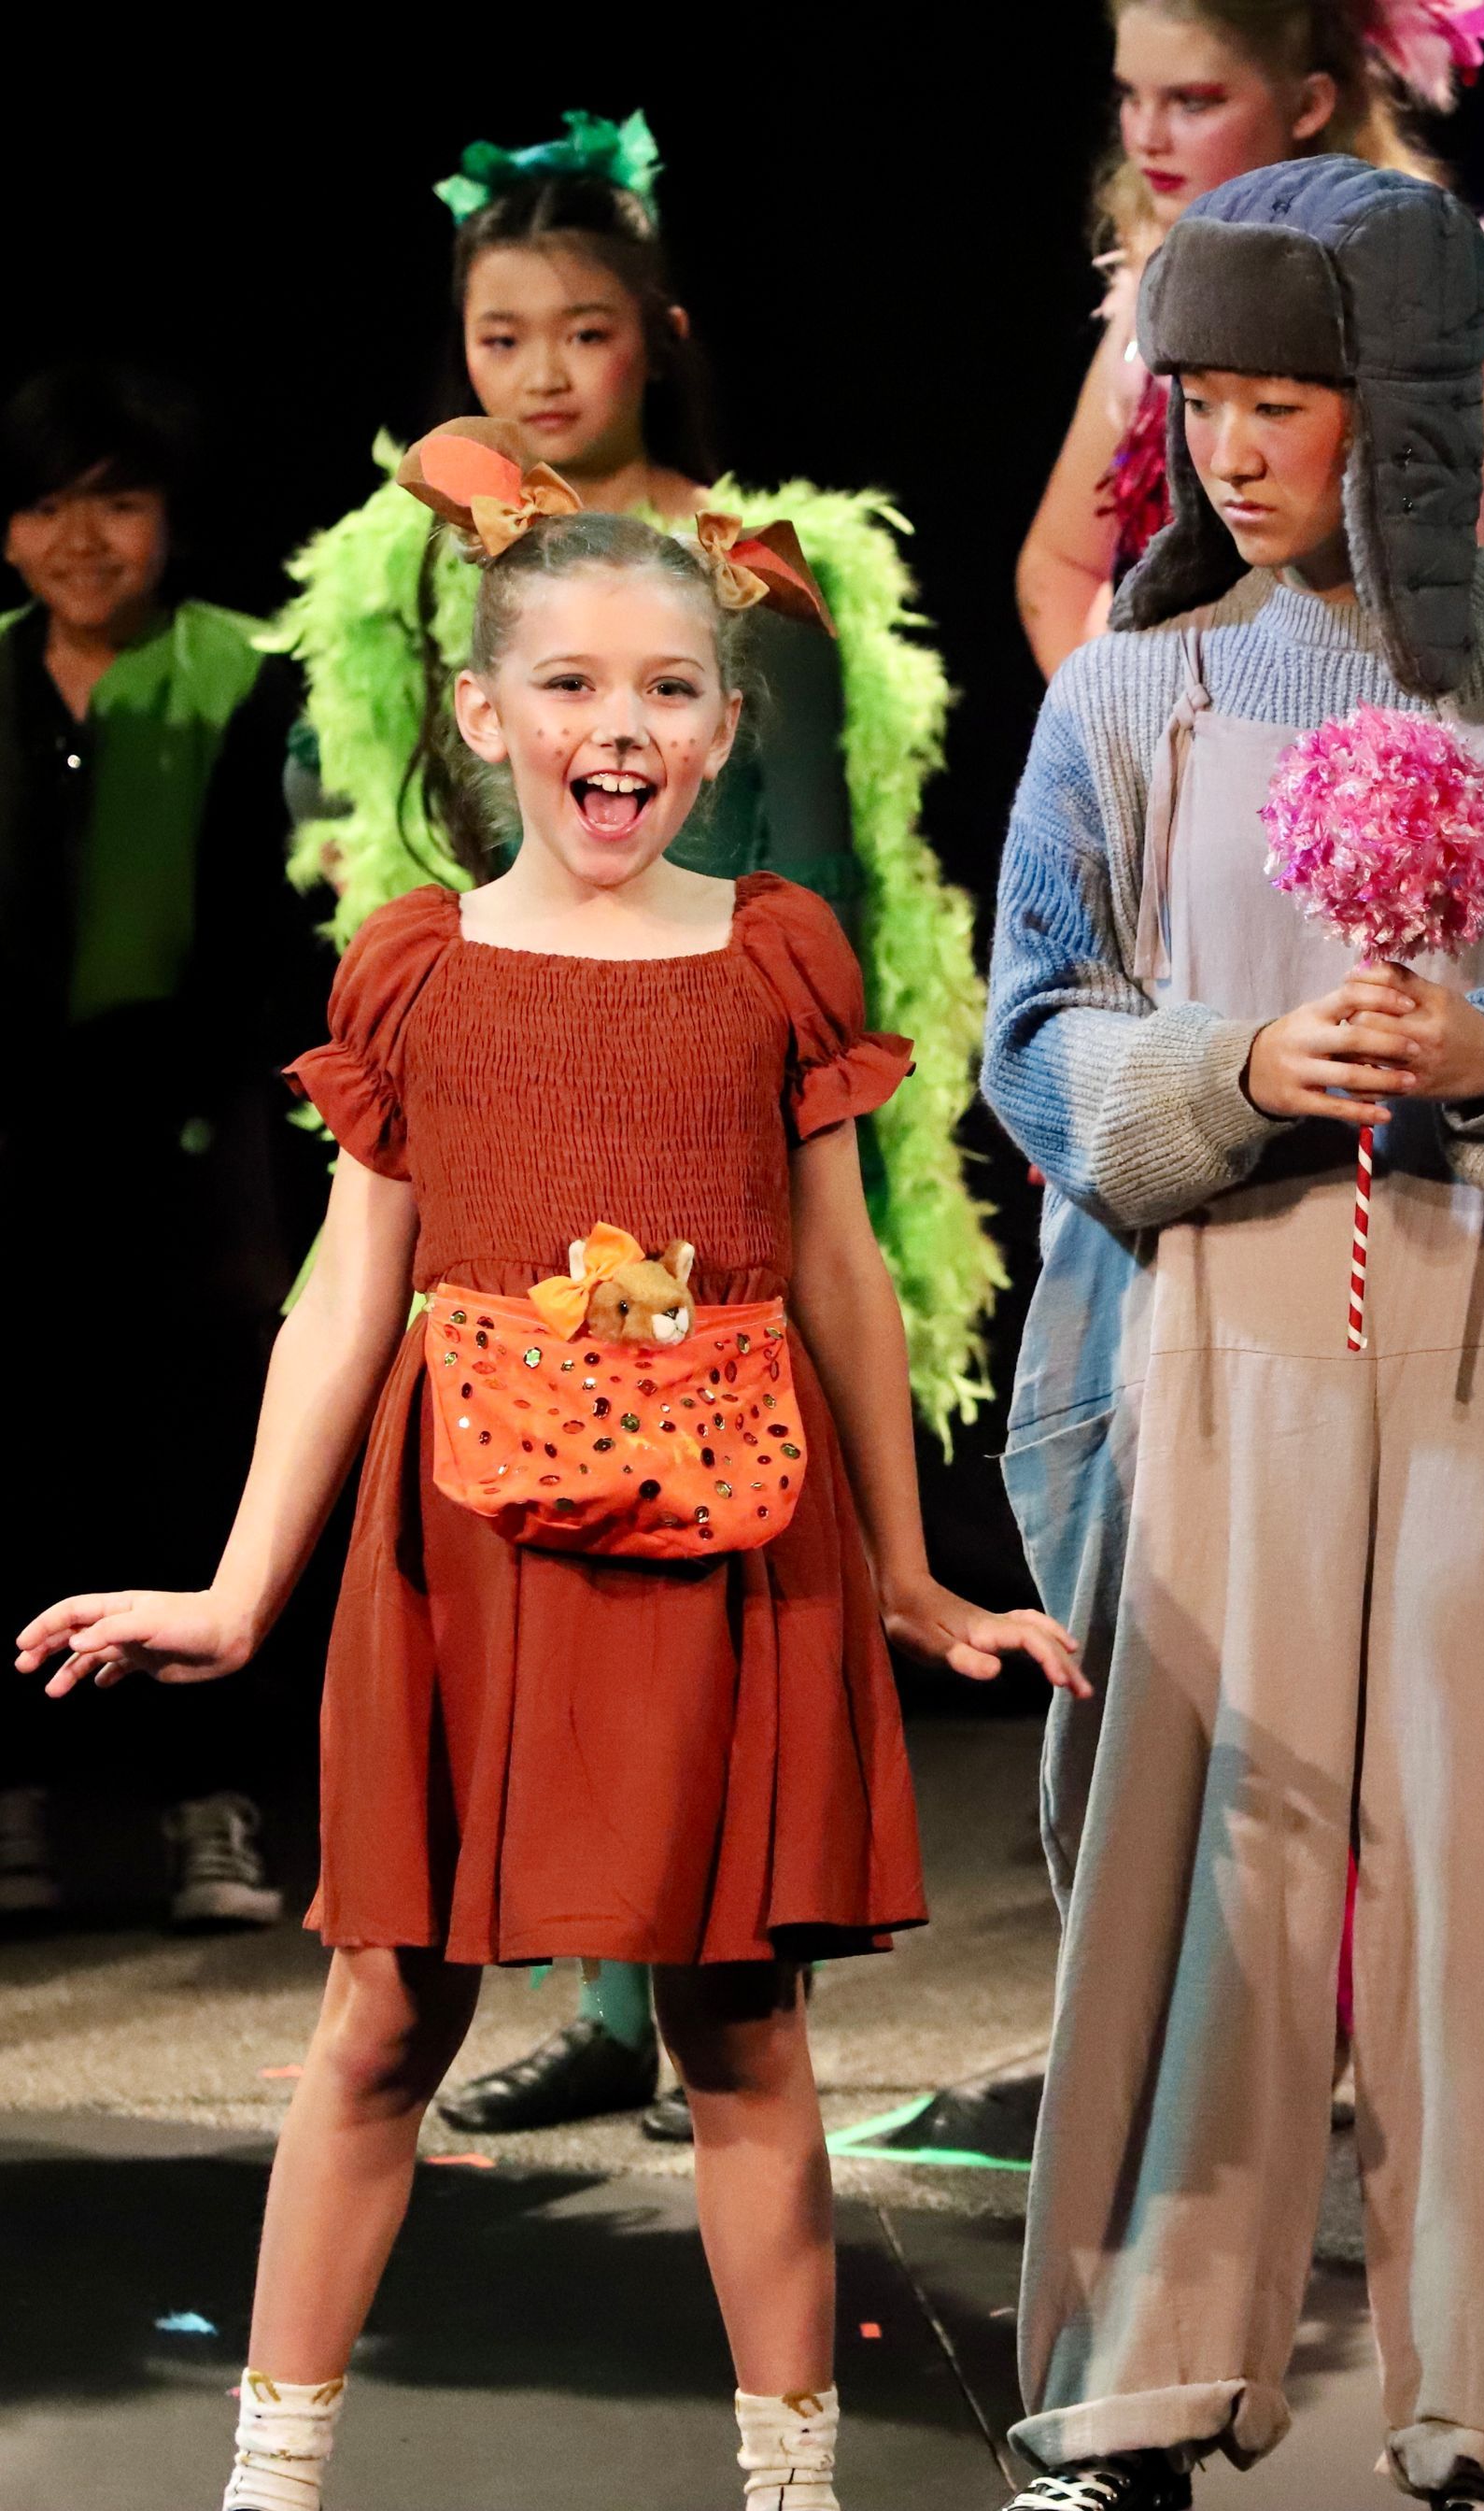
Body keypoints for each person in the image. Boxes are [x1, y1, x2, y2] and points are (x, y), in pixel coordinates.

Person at [18, 438, 1081, 2511]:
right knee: (384, 2021)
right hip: (469, 1552)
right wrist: (242, 1589)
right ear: (489, 718)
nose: (621, 727)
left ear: (722, 723)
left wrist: (913, 1574)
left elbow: (845, 1273)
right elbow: (348, 1288)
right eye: (574, 687)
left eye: (668, 689)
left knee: (743, 2035)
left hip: (733, 1548)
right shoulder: (417, 965)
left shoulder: (776, 957)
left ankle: (792, 2488)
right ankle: (273, 2478)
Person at [983, 161, 1484, 2511]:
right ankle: (1132, 2381)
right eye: (1202, 403)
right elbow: (1037, 1023)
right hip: (1213, 1341)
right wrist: (1231, 1073)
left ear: (1406, 408)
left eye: (1285, 401)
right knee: (1204, 1863)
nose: (1233, 451)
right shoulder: (1133, 691)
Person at [277, 115, 1003, 2137]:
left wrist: (782, 1052)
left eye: (581, 335)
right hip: (503, 1080)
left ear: (651, 342)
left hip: (712, 1073)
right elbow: (363, 800)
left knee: (694, 1525)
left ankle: (699, 1982)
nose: (538, 377)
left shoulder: (746, 577)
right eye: (499, 337)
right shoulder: (411, 564)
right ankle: (589, 1995)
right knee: (527, 1518)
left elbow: (819, 849)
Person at [0, 365, 325, 1931]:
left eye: (117, 499)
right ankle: (24, 1800)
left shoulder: (247, 680)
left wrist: (210, 1088)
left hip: (197, 1133)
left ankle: (218, 1808)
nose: (83, 535)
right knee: (18, 1459)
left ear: (169, 520)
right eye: (51, 502)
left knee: (198, 1452)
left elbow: (287, 931)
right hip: (7, 1145)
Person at [1017, 0, 1484, 676]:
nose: (1145, 137)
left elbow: (1472, 640)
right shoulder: (1151, 303)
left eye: (1194, 102)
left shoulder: (1436, 313)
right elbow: (1058, 570)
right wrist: (1119, 740)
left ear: (1309, 105)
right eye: (1130, 96)